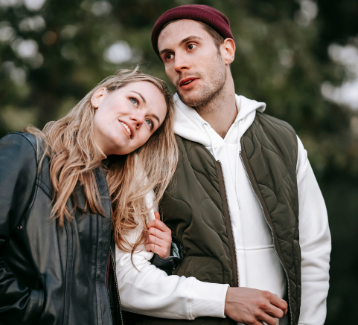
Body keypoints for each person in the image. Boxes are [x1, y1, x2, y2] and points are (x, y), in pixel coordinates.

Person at [115, 5, 332, 325]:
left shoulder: (282, 139)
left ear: (227, 50)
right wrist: (223, 300)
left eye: (190, 46)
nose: (179, 64)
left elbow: (312, 253)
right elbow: (126, 277)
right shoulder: (151, 145)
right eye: (168, 56)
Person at [0, 68, 179, 325]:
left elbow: (106, 296)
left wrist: (159, 256)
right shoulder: (27, 154)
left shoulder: (111, 198)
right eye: (134, 100)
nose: (139, 119)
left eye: (150, 122)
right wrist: (39, 312)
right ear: (98, 96)